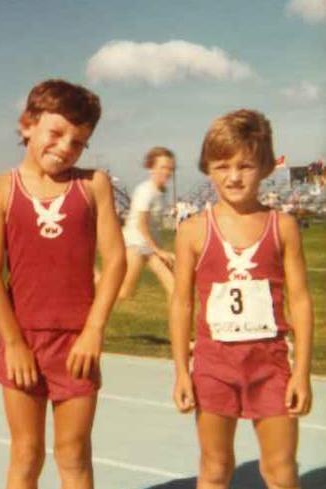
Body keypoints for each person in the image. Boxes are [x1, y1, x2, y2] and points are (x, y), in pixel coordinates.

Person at [0, 79, 126, 489]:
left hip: (77, 344)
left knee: (74, 455)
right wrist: (14, 344)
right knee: (26, 455)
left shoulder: (93, 185)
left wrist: (94, 331)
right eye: (56, 133)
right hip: (22, 341)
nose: (65, 147)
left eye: (78, 142)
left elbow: (114, 259)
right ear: (28, 124)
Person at [169, 109, 313, 489]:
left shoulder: (283, 226)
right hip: (214, 366)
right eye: (222, 166)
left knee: (281, 471)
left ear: (264, 167)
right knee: (215, 469)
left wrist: (302, 372)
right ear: (208, 169)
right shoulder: (192, 231)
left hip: (271, 366)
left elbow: (299, 300)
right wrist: (182, 370)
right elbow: (182, 303)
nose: (233, 176)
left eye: (245, 165)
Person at [118, 147, 175, 300]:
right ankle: (91, 277)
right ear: (151, 168)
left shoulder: (162, 191)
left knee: (174, 287)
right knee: (123, 293)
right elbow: (141, 225)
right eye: (163, 167)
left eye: (171, 168)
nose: (168, 172)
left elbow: (153, 226)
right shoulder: (145, 191)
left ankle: (177, 323)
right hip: (135, 244)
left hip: (150, 247)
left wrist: (158, 250)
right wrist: (159, 251)